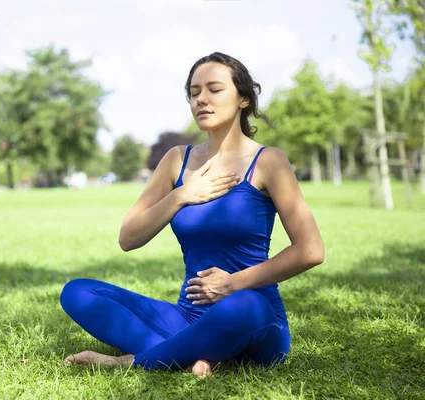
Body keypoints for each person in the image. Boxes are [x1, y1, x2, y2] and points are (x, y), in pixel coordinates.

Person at [59, 52, 324, 377]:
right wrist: (182, 195)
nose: (201, 99)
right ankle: (197, 353)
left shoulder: (269, 162)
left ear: (243, 99)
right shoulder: (177, 161)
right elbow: (128, 237)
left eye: (214, 89)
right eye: (194, 92)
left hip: (253, 317)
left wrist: (232, 284)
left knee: (246, 307)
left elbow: (310, 250)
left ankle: (128, 361)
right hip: (188, 315)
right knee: (78, 292)